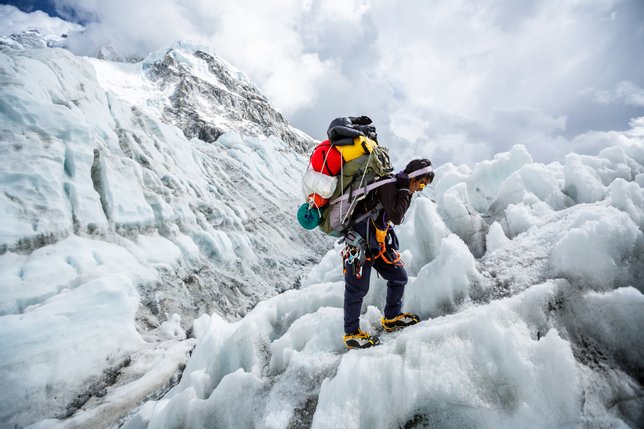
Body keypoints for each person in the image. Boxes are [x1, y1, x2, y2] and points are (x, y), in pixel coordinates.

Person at [342, 158, 435, 349]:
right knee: (356, 289)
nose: (421, 188)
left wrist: (404, 191)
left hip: (377, 243)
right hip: (359, 243)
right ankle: (352, 334)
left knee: (399, 277)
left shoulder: (400, 187)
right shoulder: (391, 186)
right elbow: (396, 217)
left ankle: (391, 318)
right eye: (422, 182)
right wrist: (403, 191)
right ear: (413, 177)